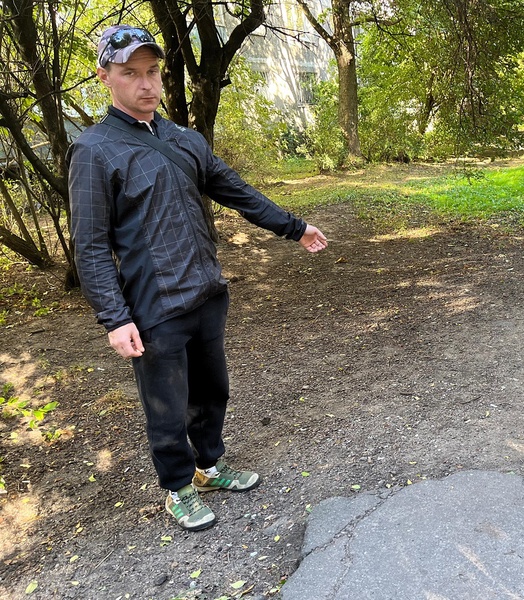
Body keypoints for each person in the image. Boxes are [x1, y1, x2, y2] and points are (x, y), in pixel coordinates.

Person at [67, 25, 328, 531]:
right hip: (154, 305)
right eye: (130, 74)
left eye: (152, 72)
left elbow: (236, 190)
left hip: (207, 291)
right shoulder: (94, 150)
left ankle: (210, 467)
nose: (146, 84)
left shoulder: (184, 139)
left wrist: (294, 228)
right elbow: (90, 246)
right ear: (106, 78)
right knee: (166, 408)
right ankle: (178, 488)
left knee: (212, 392)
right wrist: (114, 319)